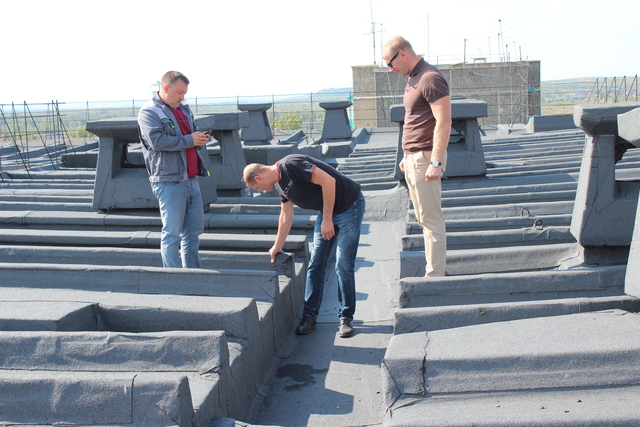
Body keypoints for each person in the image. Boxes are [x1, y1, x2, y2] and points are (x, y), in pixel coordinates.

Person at [243, 154, 365, 338]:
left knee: (343, 264)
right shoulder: (280, 185)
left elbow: (329, 181)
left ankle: (346, 317)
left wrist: (327, 220)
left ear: (258, 178)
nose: (260, 190)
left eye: (256, 187)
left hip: (349, 206)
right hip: (326, 211)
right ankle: (309, 316)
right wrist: (277, 245)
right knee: (315, 263)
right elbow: (286, 216)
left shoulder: (291, 165)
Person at [382, 36, 452, 277]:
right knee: (423, 219)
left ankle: (435, 277)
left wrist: (435, 161)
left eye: (390, 63)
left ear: (402, 53)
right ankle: (433, 272)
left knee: (431, 220)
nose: (390, 69)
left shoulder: (430, 77)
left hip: (425, 158)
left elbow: (444, 121)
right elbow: (416, 120)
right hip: (414, 157)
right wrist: (407, 154)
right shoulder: (414, 77)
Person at [137, 71, 210, 268]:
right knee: (172, 233)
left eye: (184, 93)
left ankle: (192, 274)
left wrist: (199, 139)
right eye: (179, 92)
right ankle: (173, 278)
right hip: (169, 181)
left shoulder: (184, 110)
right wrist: (190, 140)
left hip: (191, 178)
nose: (182, 97)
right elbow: (157, 142)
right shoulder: (149, 112)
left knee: (193, 233)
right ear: (166, 88)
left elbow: (188, 138)